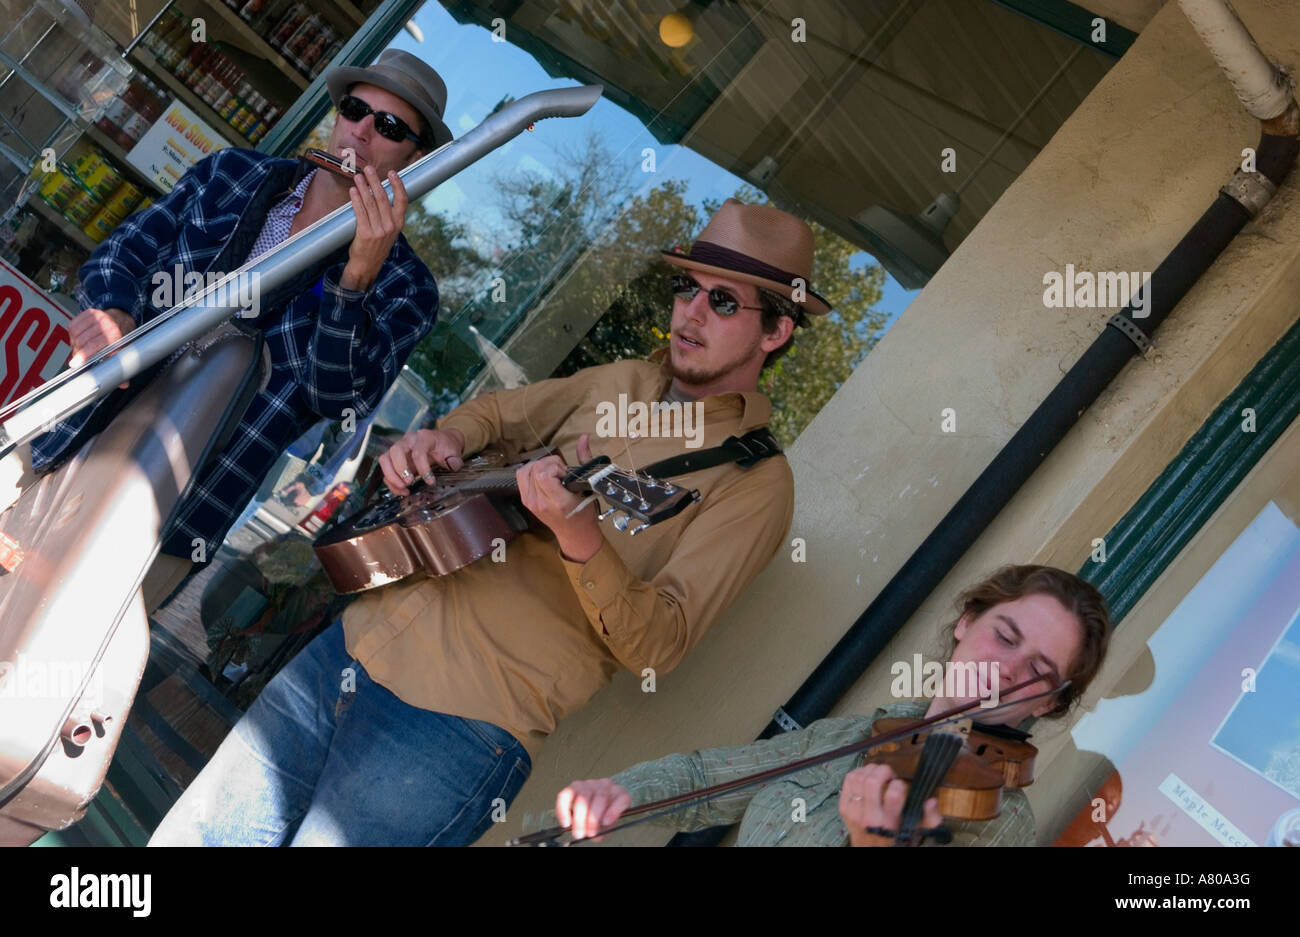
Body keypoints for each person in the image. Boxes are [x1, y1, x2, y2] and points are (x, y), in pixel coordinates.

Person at [148, 198, 828, 846]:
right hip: (352, 643)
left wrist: (579, 535)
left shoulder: (757, 482)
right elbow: (498, 415)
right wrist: (443, 440)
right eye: (687, 285)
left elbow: (661, 643)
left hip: (457, 726)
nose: (691, 310)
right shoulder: (621, 381)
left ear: (776, 330)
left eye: (724, 299)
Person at [2, 50, 452, 607]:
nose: (360, 130)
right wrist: (115, 311)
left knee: (54, 663)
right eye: (355, 108)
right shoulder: (233, 175)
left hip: (174, 512)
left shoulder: (405, 288)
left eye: (387, 126)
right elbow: (122, 252)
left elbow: (336, 398)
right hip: (71, 433)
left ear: (415, 157)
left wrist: (356, 276)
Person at [554, 564, 1112, 846]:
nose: (1007, 671)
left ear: (1047, 703)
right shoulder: (860, 733)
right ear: (967, 623)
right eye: (1005, 636)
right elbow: (708, 778)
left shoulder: (1001, 820)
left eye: (1039, 672)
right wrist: (626, 793)